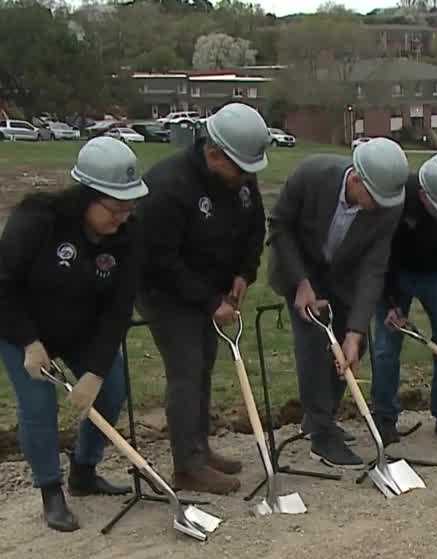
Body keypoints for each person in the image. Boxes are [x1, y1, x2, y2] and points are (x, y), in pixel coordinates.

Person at [0, 137, 147, 532]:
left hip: (82, 330)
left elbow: (119, 309)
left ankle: (83, 471)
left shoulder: (128, 236)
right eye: (115, 209)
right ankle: (50, 490)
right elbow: (4, 286)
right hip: (23, 330)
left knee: (113, 389)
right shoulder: (37, 221)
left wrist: (96, 371)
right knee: (39, 406)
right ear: (88, 196)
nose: (123, 217)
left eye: (129, 207)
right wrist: (29, 343)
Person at [137, 103, 270, 495]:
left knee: (205, 365)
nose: (247, 177)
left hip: (212, 285)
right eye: (240, 168)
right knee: (186, 369)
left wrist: (245, 273)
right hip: (164, 290)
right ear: (213, 153)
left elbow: (254, 225)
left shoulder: (239, 176)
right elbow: (161, 261)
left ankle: (199, 448)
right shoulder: (167, 187)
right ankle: (186, 467)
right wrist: (211, 301)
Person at [268, 137, 407, 468]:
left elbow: (374, 268)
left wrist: (356, 332)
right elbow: (279, 225)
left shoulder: (388, 205)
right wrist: (301, 283)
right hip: (299, 270)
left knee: (351, 350)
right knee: (316, 347)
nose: (379, 205)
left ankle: (320, 417)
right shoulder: (312, 174)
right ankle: (322, 438)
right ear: (356, 179)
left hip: (343, 277)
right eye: (374, 197)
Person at [371, 153, 437, 446]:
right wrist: (391, 302)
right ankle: (384, 417)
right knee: (386, 345)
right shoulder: (398, 197)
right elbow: (378, 254)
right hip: (396, 273)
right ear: (423, 195)